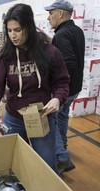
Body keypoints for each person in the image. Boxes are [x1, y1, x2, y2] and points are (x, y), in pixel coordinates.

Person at [0, 4, 70, 174]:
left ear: (29, 27)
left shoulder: (49, 52)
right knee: (15, 166)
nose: (13, 35)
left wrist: (57, 98)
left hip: (42, 116)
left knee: (45, 167)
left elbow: (62, 82)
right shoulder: (5, 58)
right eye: (9, 31)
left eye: (18, 30)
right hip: (14, 119)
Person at [44, 0, 85, 174]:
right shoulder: (76, 31)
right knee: (62, 117)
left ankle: (61, 158)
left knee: (51, 120)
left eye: (51, 13)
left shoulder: (61, 36)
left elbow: (68, 62)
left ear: (60, 14)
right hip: (75, 88)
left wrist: (58, 88)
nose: (48, 17)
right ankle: (63, 145)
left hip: (64, 89)